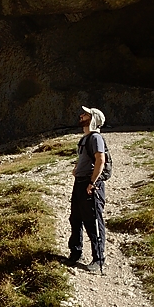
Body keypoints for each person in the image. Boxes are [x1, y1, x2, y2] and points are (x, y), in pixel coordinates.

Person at [67, 106, 107, 274]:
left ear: (93, 119)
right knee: (75, 218)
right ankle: (75, 253)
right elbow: (84, 158)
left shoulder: (96, 138)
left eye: (86, 114)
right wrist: (77, 169)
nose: (81, 115)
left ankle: (98, 260)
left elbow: (101, 160)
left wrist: (92, 182)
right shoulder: (85, 139)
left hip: (90, 185)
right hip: (80, 182)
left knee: (93, 221)